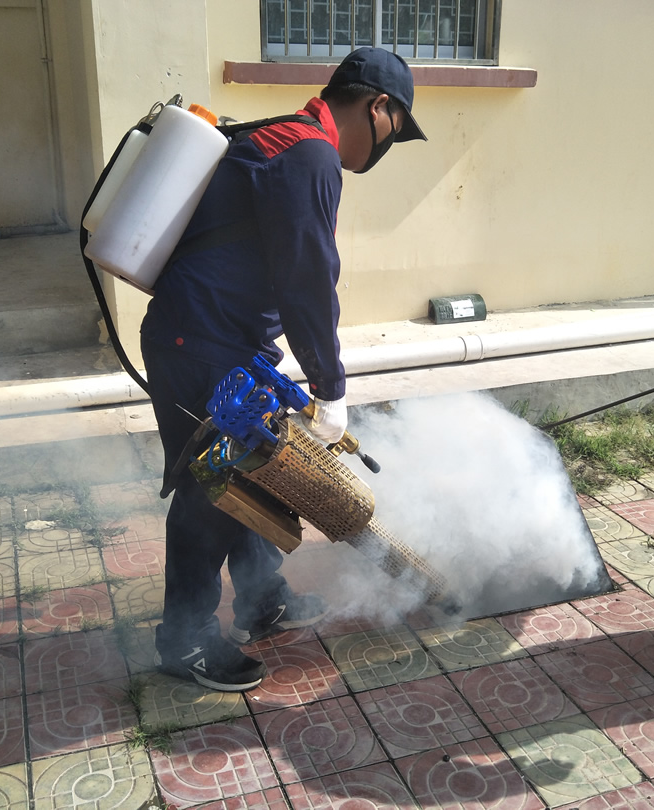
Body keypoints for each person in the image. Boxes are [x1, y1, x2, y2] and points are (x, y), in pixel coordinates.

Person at [139, 47, 427, 692]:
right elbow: (308, 279)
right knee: (212, 488)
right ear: (378, 106)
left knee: (253, 474)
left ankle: (261, 599)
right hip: (201, 340)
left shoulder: (287, 137)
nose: (390, 142)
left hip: (218, 338)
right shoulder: (310, 154)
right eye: (396, 127)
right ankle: (185, 640)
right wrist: (330, 387)